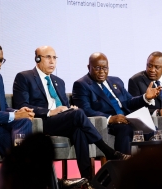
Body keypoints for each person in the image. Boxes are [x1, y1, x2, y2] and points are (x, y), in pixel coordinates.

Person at [12, 46, 130, 181]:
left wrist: (69, 108)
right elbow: (22, 106)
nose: (52, 62)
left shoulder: (59, 81)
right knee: (78, 114)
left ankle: (87, 179)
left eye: (54, 58)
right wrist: (50, 111)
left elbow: (63, 105)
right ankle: (108, 151)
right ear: (37, 59)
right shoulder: (24, 77)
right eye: (48, 57)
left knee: (79, 130)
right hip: (42, 121)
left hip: (61, 121)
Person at [72, 52, 162, 154]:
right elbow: (85, 110)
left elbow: (129, 102)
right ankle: (121, 165)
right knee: (125, 129)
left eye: (105, 68)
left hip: (128, 119)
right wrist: (111, 118)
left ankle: (153, 165)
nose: (102, 72)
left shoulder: (116, 81)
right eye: (97, 68)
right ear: (89, 67)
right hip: (108, 124)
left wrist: (145, 97)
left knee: (153, 130)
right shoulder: (81, 85)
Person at [0, 40, 34, 157]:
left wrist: (18, 112)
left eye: (1, 60)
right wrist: (14, 116)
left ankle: (20, 160)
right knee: (8, 139)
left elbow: (3, 107)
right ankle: (20, 164)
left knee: (24, 120)